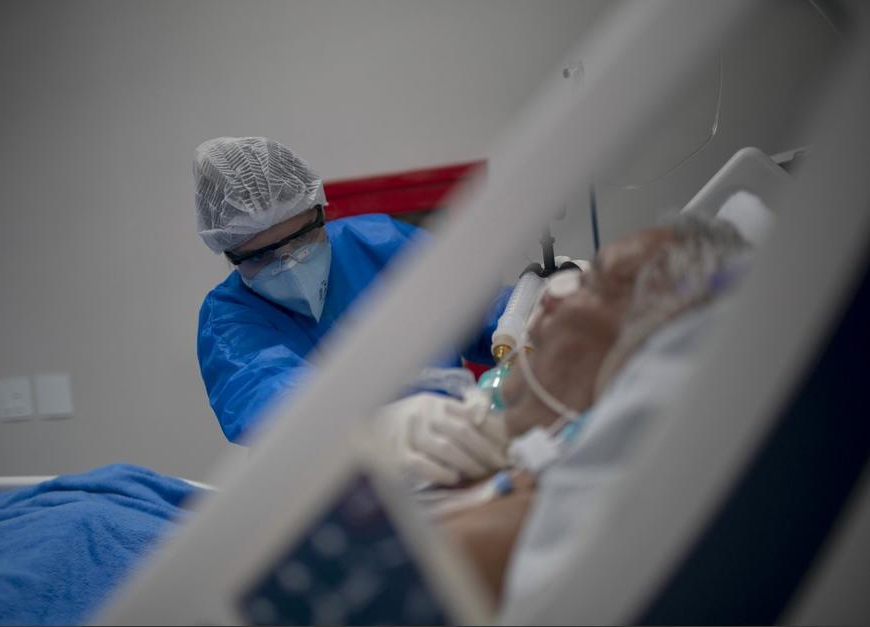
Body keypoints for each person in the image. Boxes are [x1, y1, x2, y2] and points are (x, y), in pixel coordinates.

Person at [433, 214, 750, 602]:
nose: (550, 295)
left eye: (595, 284)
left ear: (639, 354)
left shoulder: (494, 540)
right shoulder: (509, 477)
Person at [194, 137, 505, 441]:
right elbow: (265, 400)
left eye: (301, 239)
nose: (289, 264)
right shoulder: (228, 320)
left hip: (460, 442)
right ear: (230, 255)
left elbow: (485, 309)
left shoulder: (383, 242)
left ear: (322, 213)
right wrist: (380, 428)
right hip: (341, 478)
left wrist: (535, 314)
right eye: (260, 256)